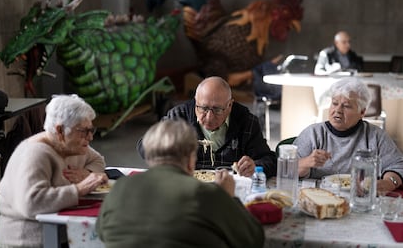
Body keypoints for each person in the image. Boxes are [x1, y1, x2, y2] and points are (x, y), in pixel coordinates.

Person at [97, 119, 264, 248]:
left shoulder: (119, 188)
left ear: (148, 158)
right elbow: (253, 240)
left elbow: (101, 232)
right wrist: (229, 197)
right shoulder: (205, 194)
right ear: (191, 161)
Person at [0, 94, 108, 248]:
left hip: (60, 230)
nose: (90, 137)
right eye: (84, 131)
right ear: (60, 130)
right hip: (27, 239)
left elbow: (97, 160)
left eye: (91, 130)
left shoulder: (72, 146)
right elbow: (31, 203)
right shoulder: (35, 153)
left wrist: (86, 173)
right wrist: (79, 189)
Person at [137, 76, 277, 178]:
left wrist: (255, 167)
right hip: (187, 185)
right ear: (195, 101)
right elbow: (144, 147)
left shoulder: (246, 121)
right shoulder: (179, 117)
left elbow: (270, 160)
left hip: (229, 188)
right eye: (203, 108)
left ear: (229, 106)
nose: (209, 117)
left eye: (217, 110)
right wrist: (168, 154)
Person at [294, 77, 403, 193]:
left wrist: (389, 182)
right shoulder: (313, 133)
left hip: (360, 198)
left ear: (362, 112)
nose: (338, 110)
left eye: (346, 106)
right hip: (317, 195)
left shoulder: (375, 135)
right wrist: (306, 162)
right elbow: (286, 169)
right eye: (334, 103)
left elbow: (397, 165)